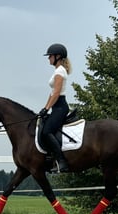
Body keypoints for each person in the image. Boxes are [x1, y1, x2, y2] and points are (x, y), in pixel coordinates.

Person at [39, 43, 72, 173]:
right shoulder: (57, 71)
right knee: (43, 127)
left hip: (60, 107)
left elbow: (57, 93)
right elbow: (52, 92)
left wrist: (47, 108)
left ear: (58, 56)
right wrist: (45, 107)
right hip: (56, 106)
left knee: (47, 131)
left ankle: (62, 161)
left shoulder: (60, 71)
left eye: (50, 56)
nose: (49, 59)